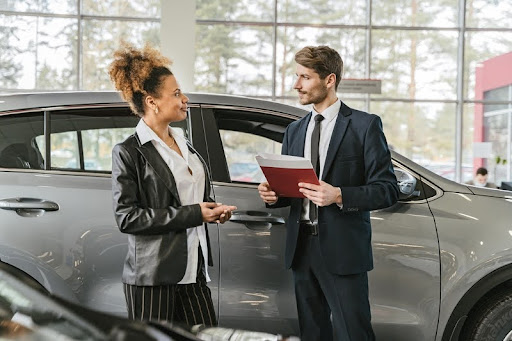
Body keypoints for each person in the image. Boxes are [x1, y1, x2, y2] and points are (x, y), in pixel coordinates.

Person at [258, 46, 399, 341]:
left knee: (353, 333)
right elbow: (293, 192)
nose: (296, 85)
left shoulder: (364, 126)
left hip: (343, 250)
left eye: (305, 77)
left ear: (330, 79)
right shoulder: (294, 131)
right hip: (301, 248)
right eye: (297, 76)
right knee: (312, 333)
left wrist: (339, 195)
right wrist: (275, 195)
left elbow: (387, 190)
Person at [109, 42, 236, 327]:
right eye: (176, 93)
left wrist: (212, 212)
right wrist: (195, 213)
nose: (184, 99)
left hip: (194, 269)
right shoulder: (129, 151)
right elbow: (127, 218)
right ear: (152, 101)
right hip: (154, 277)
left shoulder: (183, 143)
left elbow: (187, 197)